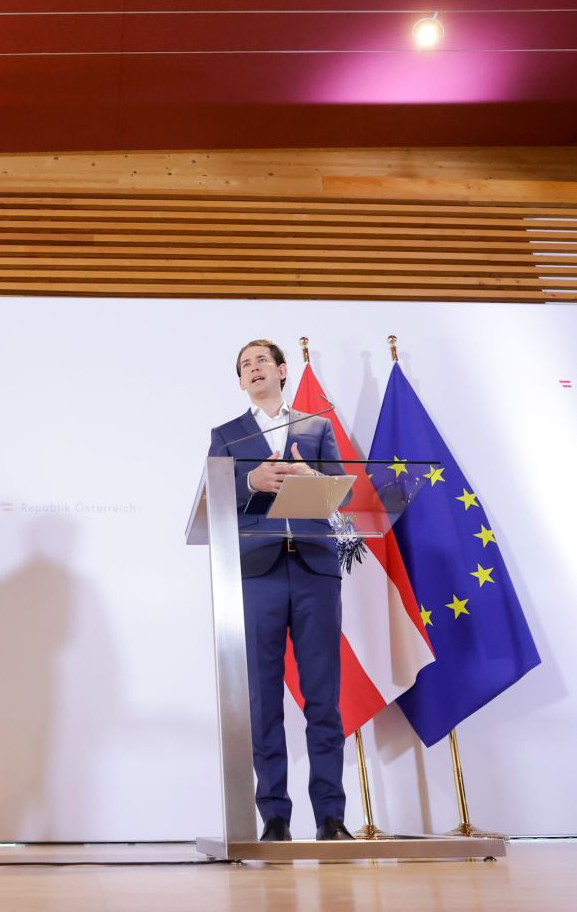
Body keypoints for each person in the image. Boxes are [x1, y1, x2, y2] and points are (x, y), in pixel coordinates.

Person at [207, 339, 351, 842]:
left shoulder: (316, 427)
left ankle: (331, 816)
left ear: (282, 370)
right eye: (244, 365)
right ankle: (274, 816)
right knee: (263, 699)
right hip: (257, 574)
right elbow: (213, 496)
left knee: (323, 699)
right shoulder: (225, 435)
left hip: (313, 569)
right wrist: (252, 481)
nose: (253, 369)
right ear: (241, 381)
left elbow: (344, 493)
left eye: (261, 360)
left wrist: (312, 476)